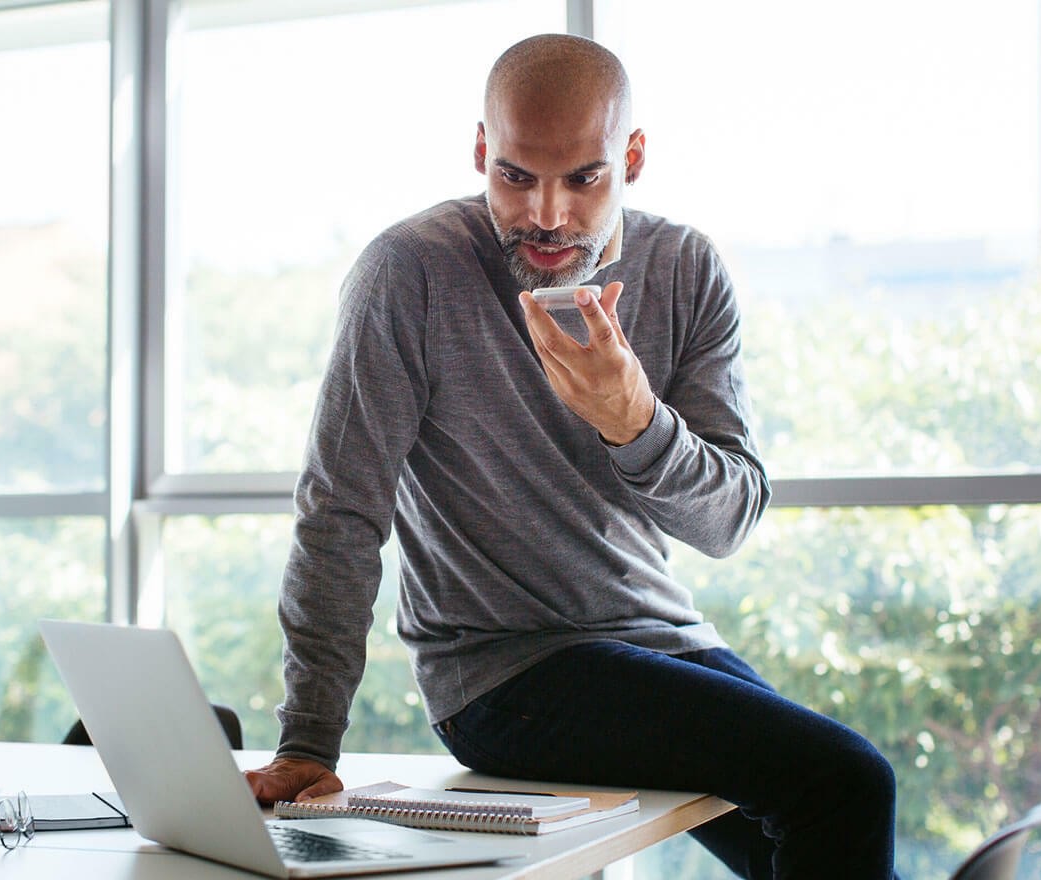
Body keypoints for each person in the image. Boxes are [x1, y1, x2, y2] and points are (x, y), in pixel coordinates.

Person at [245, 33, 898, 879]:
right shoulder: (410, 272)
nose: (546, 214)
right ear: (482, 151)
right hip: (500, 674)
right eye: (515, 176)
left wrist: (634, 423)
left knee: (830, 823)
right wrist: (307, 738)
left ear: (630, 158)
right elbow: (340, 511)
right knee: (849, 781)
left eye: (583, 178)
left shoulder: (687, 268)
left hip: (664, 644)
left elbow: (731, 519)